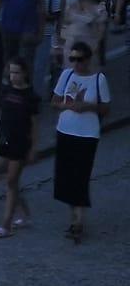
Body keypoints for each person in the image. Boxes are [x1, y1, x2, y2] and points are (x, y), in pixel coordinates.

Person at [52, 43, 110, 241]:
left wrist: (87, 106)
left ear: (88, 59)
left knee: (81, 175)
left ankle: (78, 220)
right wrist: (65, 105)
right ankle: (73, 218)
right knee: (66, 176)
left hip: (87, 134)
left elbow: (105, 108)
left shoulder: (98, 79)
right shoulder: (67, 75)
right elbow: (54, 101)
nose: (76, 63)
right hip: (65, 130)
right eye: (73, 59)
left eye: (80, 59)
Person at [0, 59, 40, 238]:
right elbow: (0, 117)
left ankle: (6, 224)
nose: (13, 76)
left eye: (17, 72)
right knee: (8, 179)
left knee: (11, 181)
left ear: (25, 73)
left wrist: (34, 147)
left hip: (20, 143)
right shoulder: (6, 90)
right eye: (11, 72)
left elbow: (34, 125)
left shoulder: (30, 96)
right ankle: (25, 213)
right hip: (5, 141)